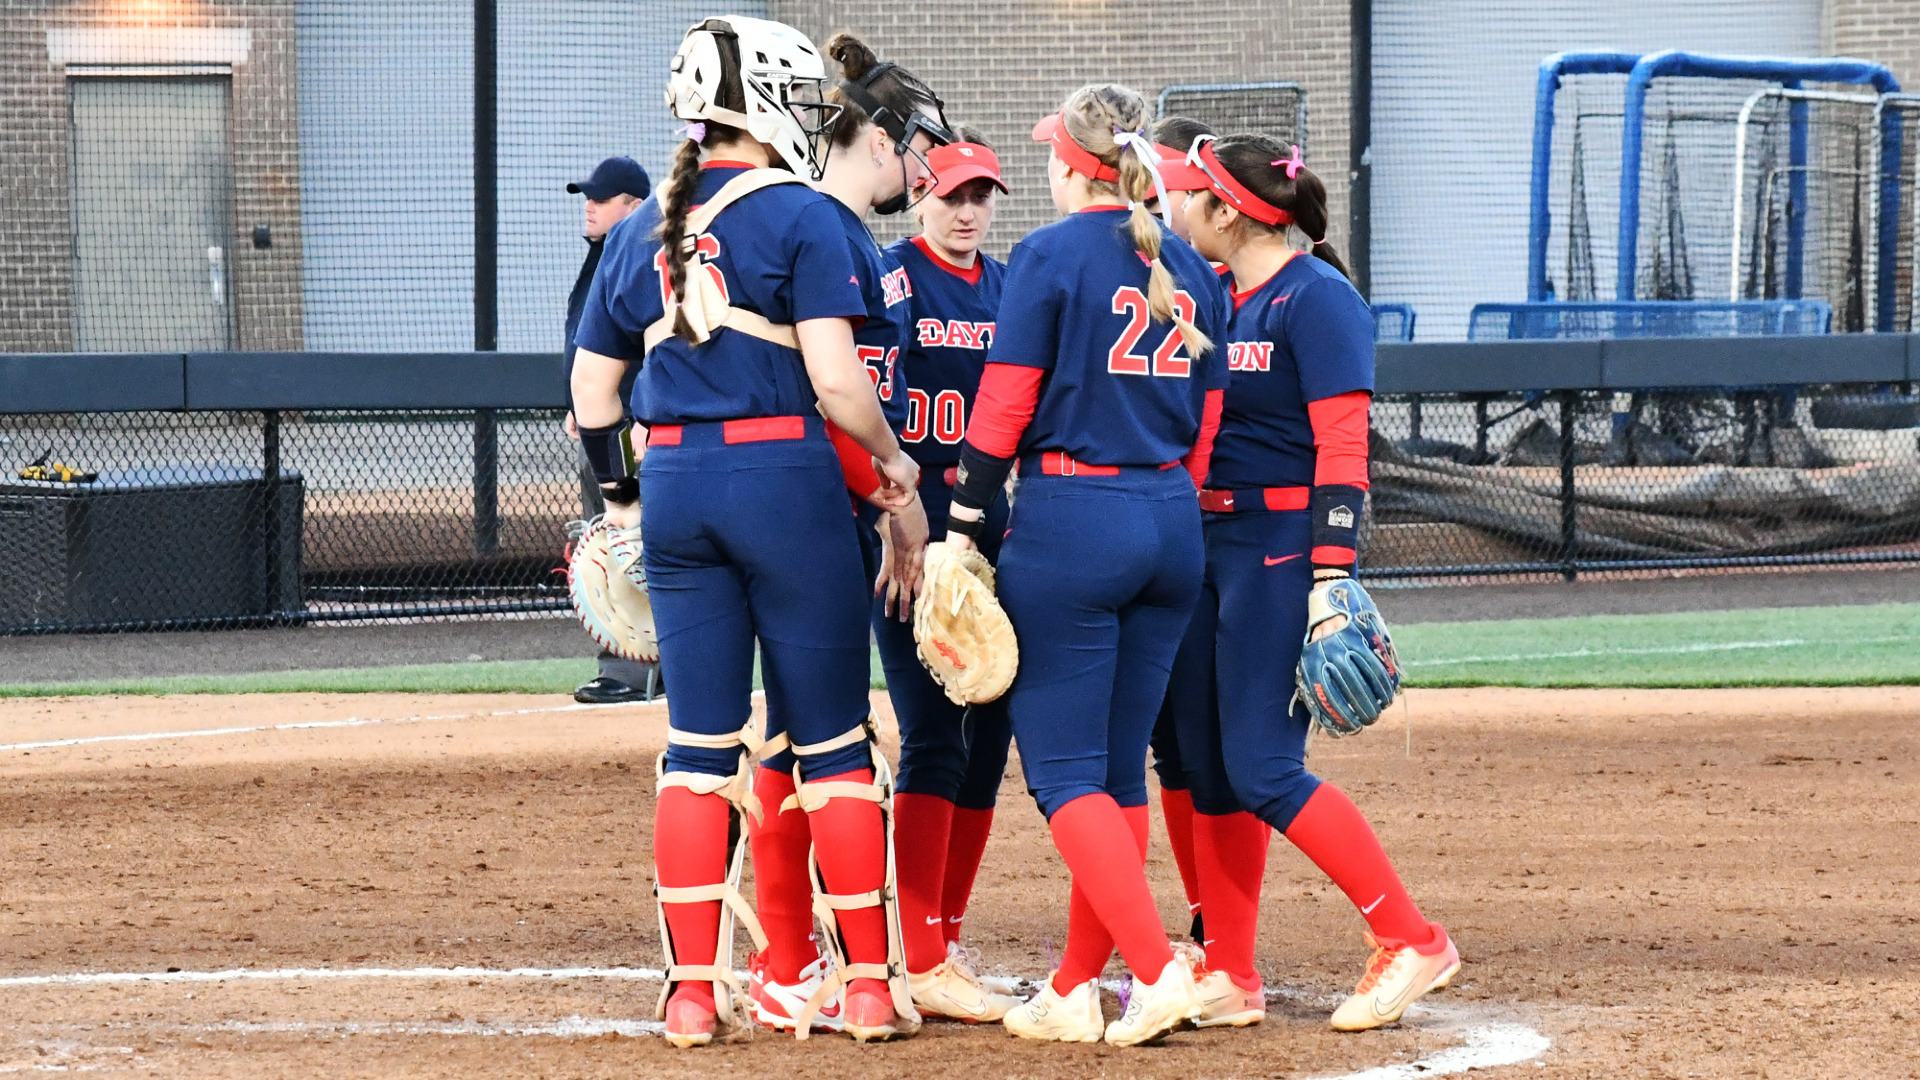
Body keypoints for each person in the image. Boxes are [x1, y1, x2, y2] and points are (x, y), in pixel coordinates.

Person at [569, 15, 923, 1046]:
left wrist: (624, 504)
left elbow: (593, 392)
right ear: (764, 103)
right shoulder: (804, 217)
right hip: (784, 478)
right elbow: (836, 384)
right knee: (833, 745)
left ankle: (689, 994)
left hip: (676, 482)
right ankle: (862, 987)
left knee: (695, 745)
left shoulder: (642, 232)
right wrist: (895, 466)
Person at [943, 83, 1227, 1047]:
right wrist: (1164, 502)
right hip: (1168, 518)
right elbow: (1210, 421)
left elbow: (1004, 406)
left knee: (1065, 776)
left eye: (1051, 159)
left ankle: (1153, 972)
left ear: (1074, 165)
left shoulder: (1047, 254)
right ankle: (1074, 983)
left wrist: (964, 527)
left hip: (1073, 515)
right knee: (1116, 773)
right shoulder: (1188, 259)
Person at [1166, 132, 1459, 1032]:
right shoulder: (1216, 293)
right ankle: (1230, 971)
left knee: (1261, 767)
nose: (1179, 208)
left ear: (1230, 210)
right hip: (1209, 537)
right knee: (1207, 768)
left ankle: (1411, 937)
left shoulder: (1316, 298)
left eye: (1193, 195)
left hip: (1280, 544)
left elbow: (1342, 447)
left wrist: (1331, 573)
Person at [740, 31, 963, 1033]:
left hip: (795, 505)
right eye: (915, 143)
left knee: (791, 735)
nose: (925, 167)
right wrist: (894, 506)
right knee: (815, 742)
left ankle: (794, 957)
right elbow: (843, 400)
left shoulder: (831, 232)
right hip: (813, 512)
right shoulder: (825, 231)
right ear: (874, 136)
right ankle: (802, 962)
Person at [874, 127, 1018, 1019]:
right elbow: (863, 404)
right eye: (952, 194)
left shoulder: (1007, 287)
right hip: (913, 533)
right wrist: (899, 522)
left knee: (990, 730)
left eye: (981, 196)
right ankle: (914, 947)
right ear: (921, 192)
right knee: (933, 729)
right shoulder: (893, 280)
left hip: (992, 537)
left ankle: (945, 934)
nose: (966, 211)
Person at [1137, 114, 1218, 945]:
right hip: (1176, 530)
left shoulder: (1265, 289)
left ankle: (1217, 923)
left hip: (1217, 545)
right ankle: (1207, 922)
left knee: (1203, 747)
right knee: (1170, 744)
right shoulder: (1173, 278)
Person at [560, 155, 658, 705]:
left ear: (635, 207)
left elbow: (652, 346)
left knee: (634, 542)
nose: (590, 205)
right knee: (617, 545)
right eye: (587, 197)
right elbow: (584, 348)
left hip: (635, 426)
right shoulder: (600, 257)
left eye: (602, 197)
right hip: (603, 424)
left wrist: (640, 415)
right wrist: (575, 402)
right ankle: (635, 665)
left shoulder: (644, 256)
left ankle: (631, 670)